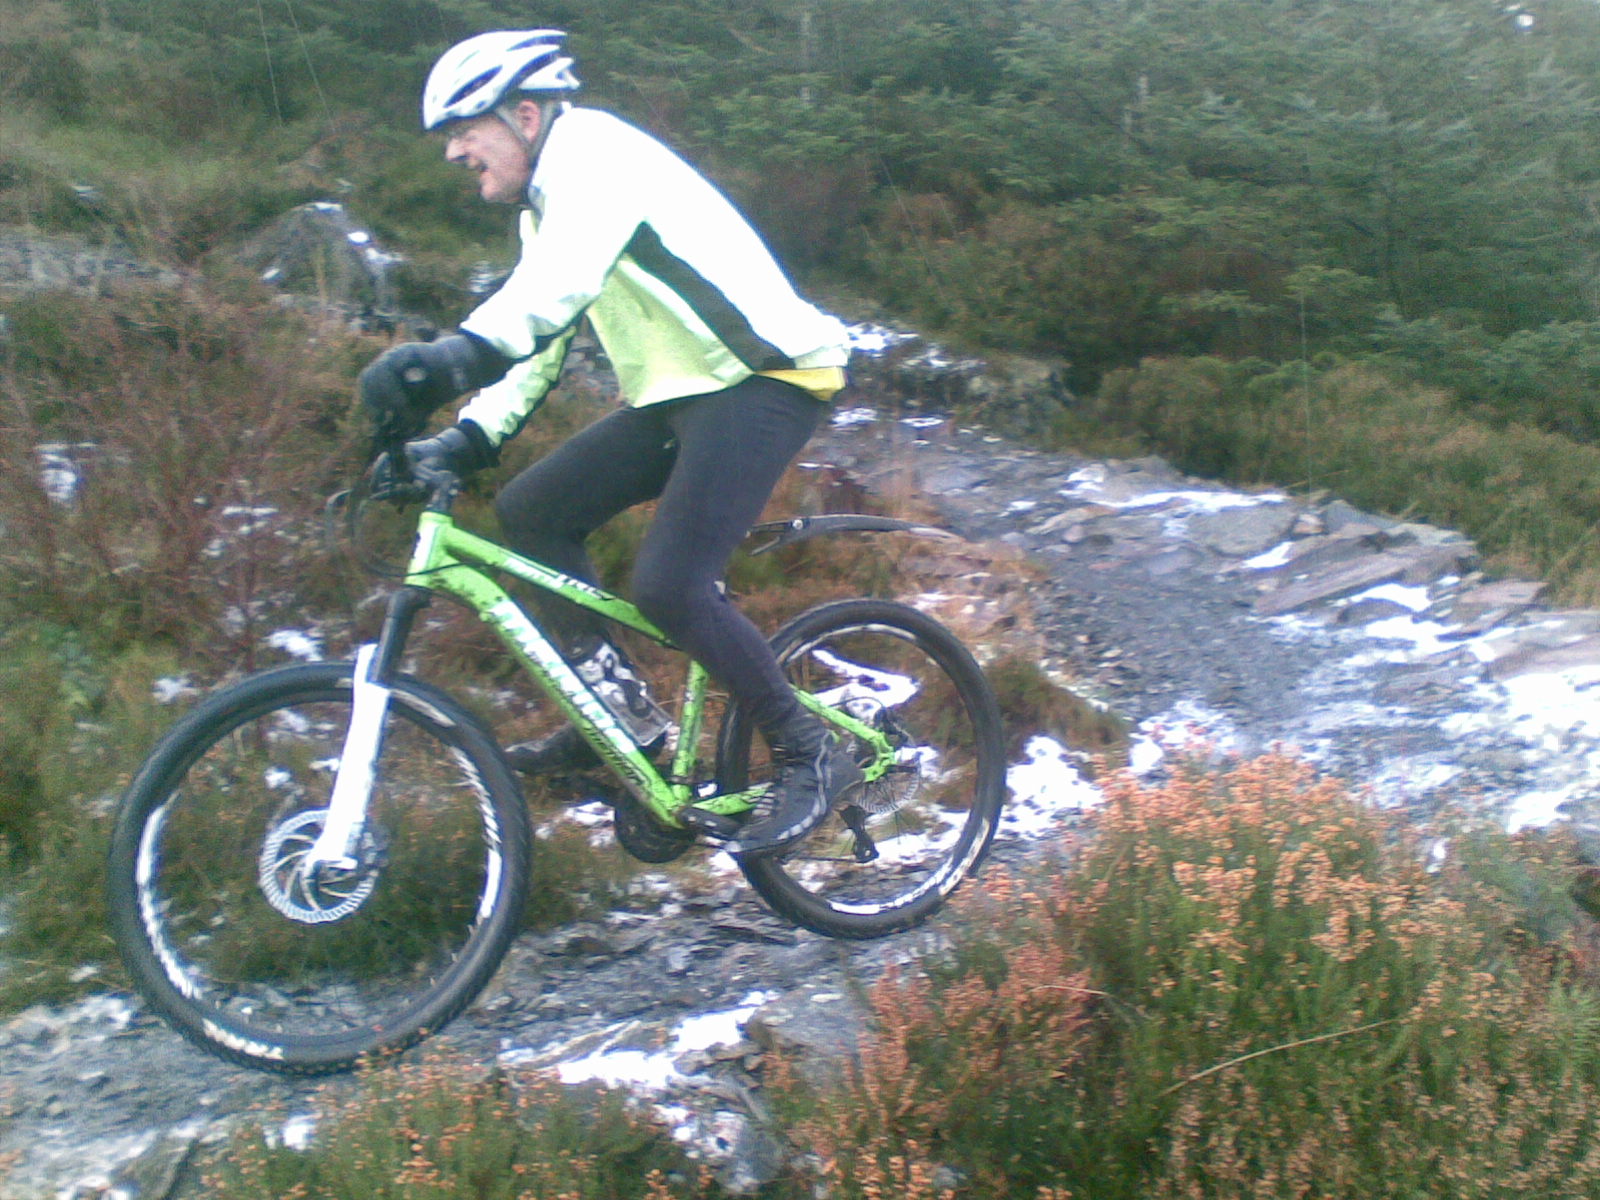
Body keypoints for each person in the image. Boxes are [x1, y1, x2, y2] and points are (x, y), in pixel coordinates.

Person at [358, 29, 854, 857]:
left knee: (669, 584)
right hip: (682, 393)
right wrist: (469, 437)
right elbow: (544, 332)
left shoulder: (596, 157)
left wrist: (450, 360)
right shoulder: (549, 203)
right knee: (533, 511)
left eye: (465, 130)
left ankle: (811, 751)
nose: (453, 152)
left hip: (766, 378)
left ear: (523, 115)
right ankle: (622, 718)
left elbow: (554, 291)